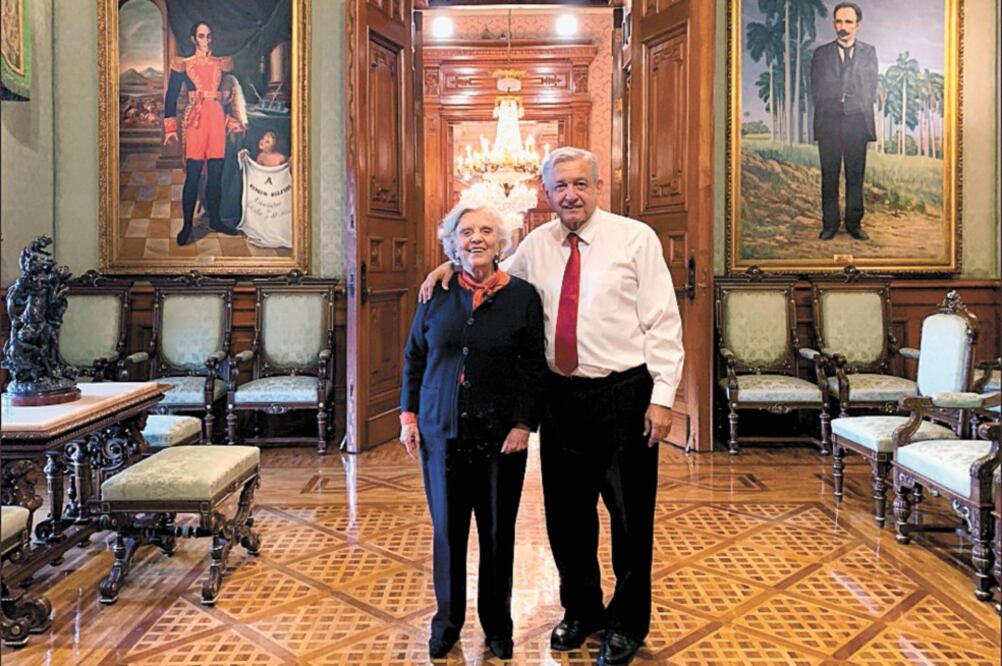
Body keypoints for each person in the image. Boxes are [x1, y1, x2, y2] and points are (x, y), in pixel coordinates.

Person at [421, 147, 684, 665]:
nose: (571, 194)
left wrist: (662, 397)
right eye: (560, 186)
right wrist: (443, 267)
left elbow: (663, 321)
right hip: (561, 400)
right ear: (547, 192)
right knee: (567, 520)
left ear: (598, 185)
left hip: (624, 396)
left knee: (631, 520)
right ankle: (581, 610)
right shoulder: (537, 245)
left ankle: (627, 623)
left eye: (580, 184)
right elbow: (486, 270)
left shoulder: (636, 239)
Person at [401, 204, 547, 661]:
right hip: (440, 432)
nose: (476, 239)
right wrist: (409, 417)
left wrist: (524, 423)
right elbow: (414, 359)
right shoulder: (435, 291)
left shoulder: (522, 295)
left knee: (498, 532)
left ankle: (498, 625)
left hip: (502, 437)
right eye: (466, 232)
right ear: (453, 242)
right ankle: (446, 623)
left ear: (501, 241)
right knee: (447, 532)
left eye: (486, 231)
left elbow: (533, 368)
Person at [163, 21, 245, 246]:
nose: (206, 41)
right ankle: (188, 225)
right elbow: (171, 97)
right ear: (193, 39)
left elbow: (230, 93)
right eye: (201, 36)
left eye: (208, 36)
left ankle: (216, 220)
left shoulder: (222, 64)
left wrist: (231, 119)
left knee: (216, 174)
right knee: (194, 175)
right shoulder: (183, 64)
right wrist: (170, 128)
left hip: (217, 120)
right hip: (195, 121)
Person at [810, 2, 878, 241]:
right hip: (828, 123)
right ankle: (829, 225)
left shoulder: (869, 52)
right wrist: (836, 105)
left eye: (848, 22)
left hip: (857, 124)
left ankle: (853, 224)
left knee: (855, 177)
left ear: (857, 25)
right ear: (834, 24)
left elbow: (871, 88)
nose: (843, 27)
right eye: (839, 21)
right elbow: (816, 89)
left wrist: (850, 106)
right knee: (829, 176)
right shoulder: (821, 54)